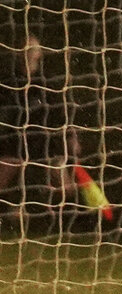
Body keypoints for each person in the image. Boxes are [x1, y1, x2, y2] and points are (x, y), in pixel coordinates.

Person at [0, 35, 82, 217]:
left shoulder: (47, 84)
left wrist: (71, 138)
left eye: (33, 50)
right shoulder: (8, 83)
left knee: (65, 186)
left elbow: (62, 115)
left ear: (39, 54)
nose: (29, 53)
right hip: (14, 143)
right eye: (25, 49)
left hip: (44, 143)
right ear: (18, 53)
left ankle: (66, 217)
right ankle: (12, 210)